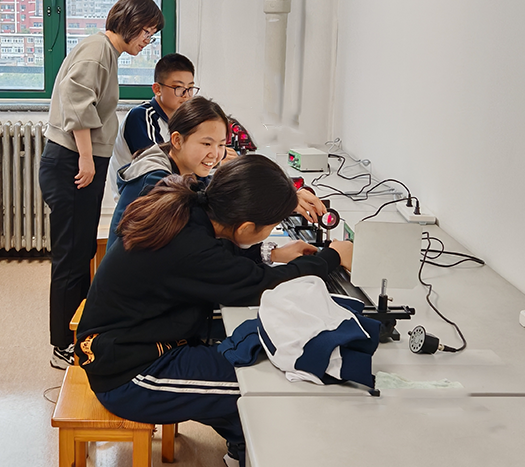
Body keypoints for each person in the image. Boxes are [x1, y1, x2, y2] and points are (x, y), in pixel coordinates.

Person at [75, 155, 353, 467]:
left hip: (139, 337)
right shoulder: (192, 247)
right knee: (261, 388)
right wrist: (331, 257)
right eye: (272, 226)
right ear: (246, 226)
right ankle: (247, 449)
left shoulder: (194, 206)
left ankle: (239, 445)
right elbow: (262, 285)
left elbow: (227, 256)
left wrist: (278, 226)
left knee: (254, 348)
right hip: (130, 375)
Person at [39, 0, 164, 369]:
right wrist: (86, 158)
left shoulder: (106, 52)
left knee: (80, 254)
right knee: (70, 256)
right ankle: (62, 345)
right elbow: (76, 100)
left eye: (152, 34)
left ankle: (78, 334)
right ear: (129, 23)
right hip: (71, 162)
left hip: (77, 161)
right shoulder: (97, 51)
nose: (147, 40)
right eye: (146, 32)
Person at [107, 96, 330, 249]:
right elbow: (202, 226)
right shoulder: (155, 181)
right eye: (206, 144)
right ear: (177, 140)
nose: (215, 154)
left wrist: (286, 197)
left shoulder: (189, 170)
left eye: (221, 144)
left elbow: (230, 194)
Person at [108, 53, 205, 199]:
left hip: (167, 195)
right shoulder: (141, 117)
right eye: (178, 87)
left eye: (190, 88)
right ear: (157, 89)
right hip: (140, 199)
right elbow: (160, 166)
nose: (186, 95)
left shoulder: (182, 120)